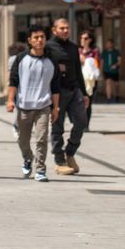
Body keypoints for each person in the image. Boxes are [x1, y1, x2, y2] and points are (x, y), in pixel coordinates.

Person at [6, 26, 60, 182]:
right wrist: (10, 100)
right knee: (23, 140)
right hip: (24, 106)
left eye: (42, 37)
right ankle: (28, 158)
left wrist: (55, 108)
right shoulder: (21, 59)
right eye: (36, 37)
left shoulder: (52, 61)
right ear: (29, 40)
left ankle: (40, 169)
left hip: (44, 106)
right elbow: (13, 81)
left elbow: (55, 87)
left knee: (42, 138)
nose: (40, 40)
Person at [46, 18, 87, 176]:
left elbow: (78, 70)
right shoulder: (49, 47)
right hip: (57, 92)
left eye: (67, 28)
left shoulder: (73, 47)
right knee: (58, 126)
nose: (65, 31)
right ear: (54, 30)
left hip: (74, 89)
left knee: (81, 122)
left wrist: (84, 93)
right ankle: (59, 160)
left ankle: (70, 152)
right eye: (62, 28)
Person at [79, 31, 100, 123]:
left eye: (85, 38)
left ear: (90, 40)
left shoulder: (94, 51)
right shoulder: (78, 51)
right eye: (82, 38)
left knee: (88, 102)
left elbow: (97, 64)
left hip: (90, 80)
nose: (83, 40)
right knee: (79, 102)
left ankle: (86, 123)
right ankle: (79, 122)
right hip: (79, 80)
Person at [7, 42, 27, 139]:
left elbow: (9, 74)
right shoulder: (17, 59)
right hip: (18, 87)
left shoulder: (11, 59)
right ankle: (16, 126)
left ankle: (19, 127)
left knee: (20, 109)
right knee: (20, 109)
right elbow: (11, 73)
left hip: (17, 87)